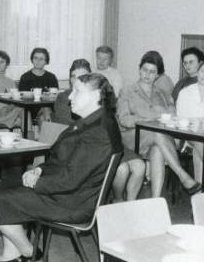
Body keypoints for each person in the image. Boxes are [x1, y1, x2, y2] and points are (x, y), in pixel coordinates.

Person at [0, 72, 122, 262]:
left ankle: (28, 251)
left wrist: (36, 181)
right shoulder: (94, 121)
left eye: (77, 91)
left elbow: (71, 179)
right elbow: (62, 160)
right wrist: (39, 170)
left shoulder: (98, 132)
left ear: (96, 96)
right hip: (67, 190)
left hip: (72, 202)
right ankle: (11, 253)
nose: (70, 96)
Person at [54, 59, 145, 202]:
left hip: (104, 141)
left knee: (140, 166)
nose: (77, 79)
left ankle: (131, 203)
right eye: (73, 76)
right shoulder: (65, 98)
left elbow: (109, 122)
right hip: (84, 144)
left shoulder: (98, 96)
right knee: (122, 169)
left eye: (82, 76)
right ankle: (118, 199)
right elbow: (70, 129)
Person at [117, 52, 200, 197]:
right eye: (144, 70)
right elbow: (124, 119)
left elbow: (172, 114)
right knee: (158, 133)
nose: (147, 74)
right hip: (134, 136)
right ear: (139, 70)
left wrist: (160, 114)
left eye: (152, 72)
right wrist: (148, 118)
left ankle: (155, 200)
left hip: (157, 140)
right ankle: (183, 176)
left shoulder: (162, 93)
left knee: (158, 149)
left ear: (157, 75)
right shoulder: (127, 91)